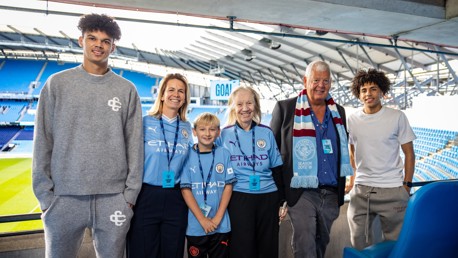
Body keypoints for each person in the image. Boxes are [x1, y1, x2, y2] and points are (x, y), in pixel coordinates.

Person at [32, 13, 143, 258]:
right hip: (63, 199)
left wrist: (129, 196)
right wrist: (45, 197)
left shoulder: (127, 90)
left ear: (113, 46)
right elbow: (43, 141)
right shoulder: (56, 84)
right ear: (80, 40)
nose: (98, 45)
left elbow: (134, 145)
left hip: (113, 200)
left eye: (105, 41)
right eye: (92, 38)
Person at [270, 60, 353, 258]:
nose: (321, 85)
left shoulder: (338, 111)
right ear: (305, 80)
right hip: (301, 193)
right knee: (305, 245)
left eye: (325, 80)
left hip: (331, 193)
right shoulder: (286, 108)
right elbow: (273, 155)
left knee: (320, 245)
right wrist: (281, 196)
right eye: (316, 80)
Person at [345, 69, 416, 250]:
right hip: (361, 192)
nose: (368, 93)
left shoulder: (397, 117)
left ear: (382, 92)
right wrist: (353, 181)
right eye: (364, 90)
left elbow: (409, 152)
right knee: (358, 244)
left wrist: (406, 185)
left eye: (373, 88)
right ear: (358, 94)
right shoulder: (352, 120)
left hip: (392, 190)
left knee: (397, 245)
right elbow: (352, 153)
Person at [127, 73, 193, 258]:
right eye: (171, 89)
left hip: (176, 197)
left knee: (173, 252)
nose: (176, 94)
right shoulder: (144, 123)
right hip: (147, 195)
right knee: (143, 251)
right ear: (162, 94)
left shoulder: (187, 128)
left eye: (181, 91)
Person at [219, 86, 284, 258]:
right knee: (242, 250)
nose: (245, 108)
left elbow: (277, 169)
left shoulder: (266, 132)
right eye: (240, 104)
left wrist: (282, 201)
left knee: (267, 249)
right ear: (233, 107)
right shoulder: (224, 135)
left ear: (255, 105)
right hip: (239, 197)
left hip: (268, 197)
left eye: (249, 103)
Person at [181, 112, 237, 258]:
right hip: (196, 226)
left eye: (212, 129)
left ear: (218, 132)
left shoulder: (223, 154)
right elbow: (186, 190)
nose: (207, 133)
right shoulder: (187, 155)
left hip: (221, 225)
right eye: (202, 129)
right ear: (194, 131)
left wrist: (218, 218)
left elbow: (228, 187)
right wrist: (202, 220)